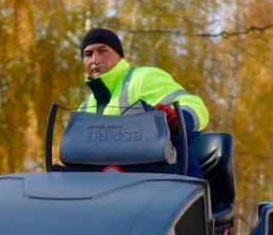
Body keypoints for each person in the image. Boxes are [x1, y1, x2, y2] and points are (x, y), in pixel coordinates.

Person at [77, 27, 209, 178]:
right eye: (88, 54)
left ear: (119, 55)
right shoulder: (85, 107)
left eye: (103, 51)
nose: (95, 60)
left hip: (160, 181)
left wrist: (179, 119)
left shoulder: (141, 78)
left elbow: (194, 105)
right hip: (102, 184)